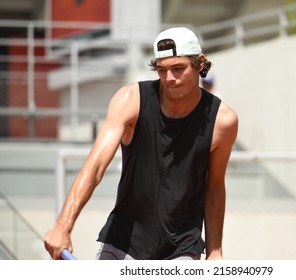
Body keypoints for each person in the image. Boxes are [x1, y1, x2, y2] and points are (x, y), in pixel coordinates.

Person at [44, 27, 238, 260]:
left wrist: (215, 251)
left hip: (181, 248)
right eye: (161, 70)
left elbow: (215, 185)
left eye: (178, 69)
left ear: (200, 63)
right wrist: (63, 225)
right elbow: (95, 166)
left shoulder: (223, 121)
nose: (169, 79)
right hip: (123, 241)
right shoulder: (130, 100)